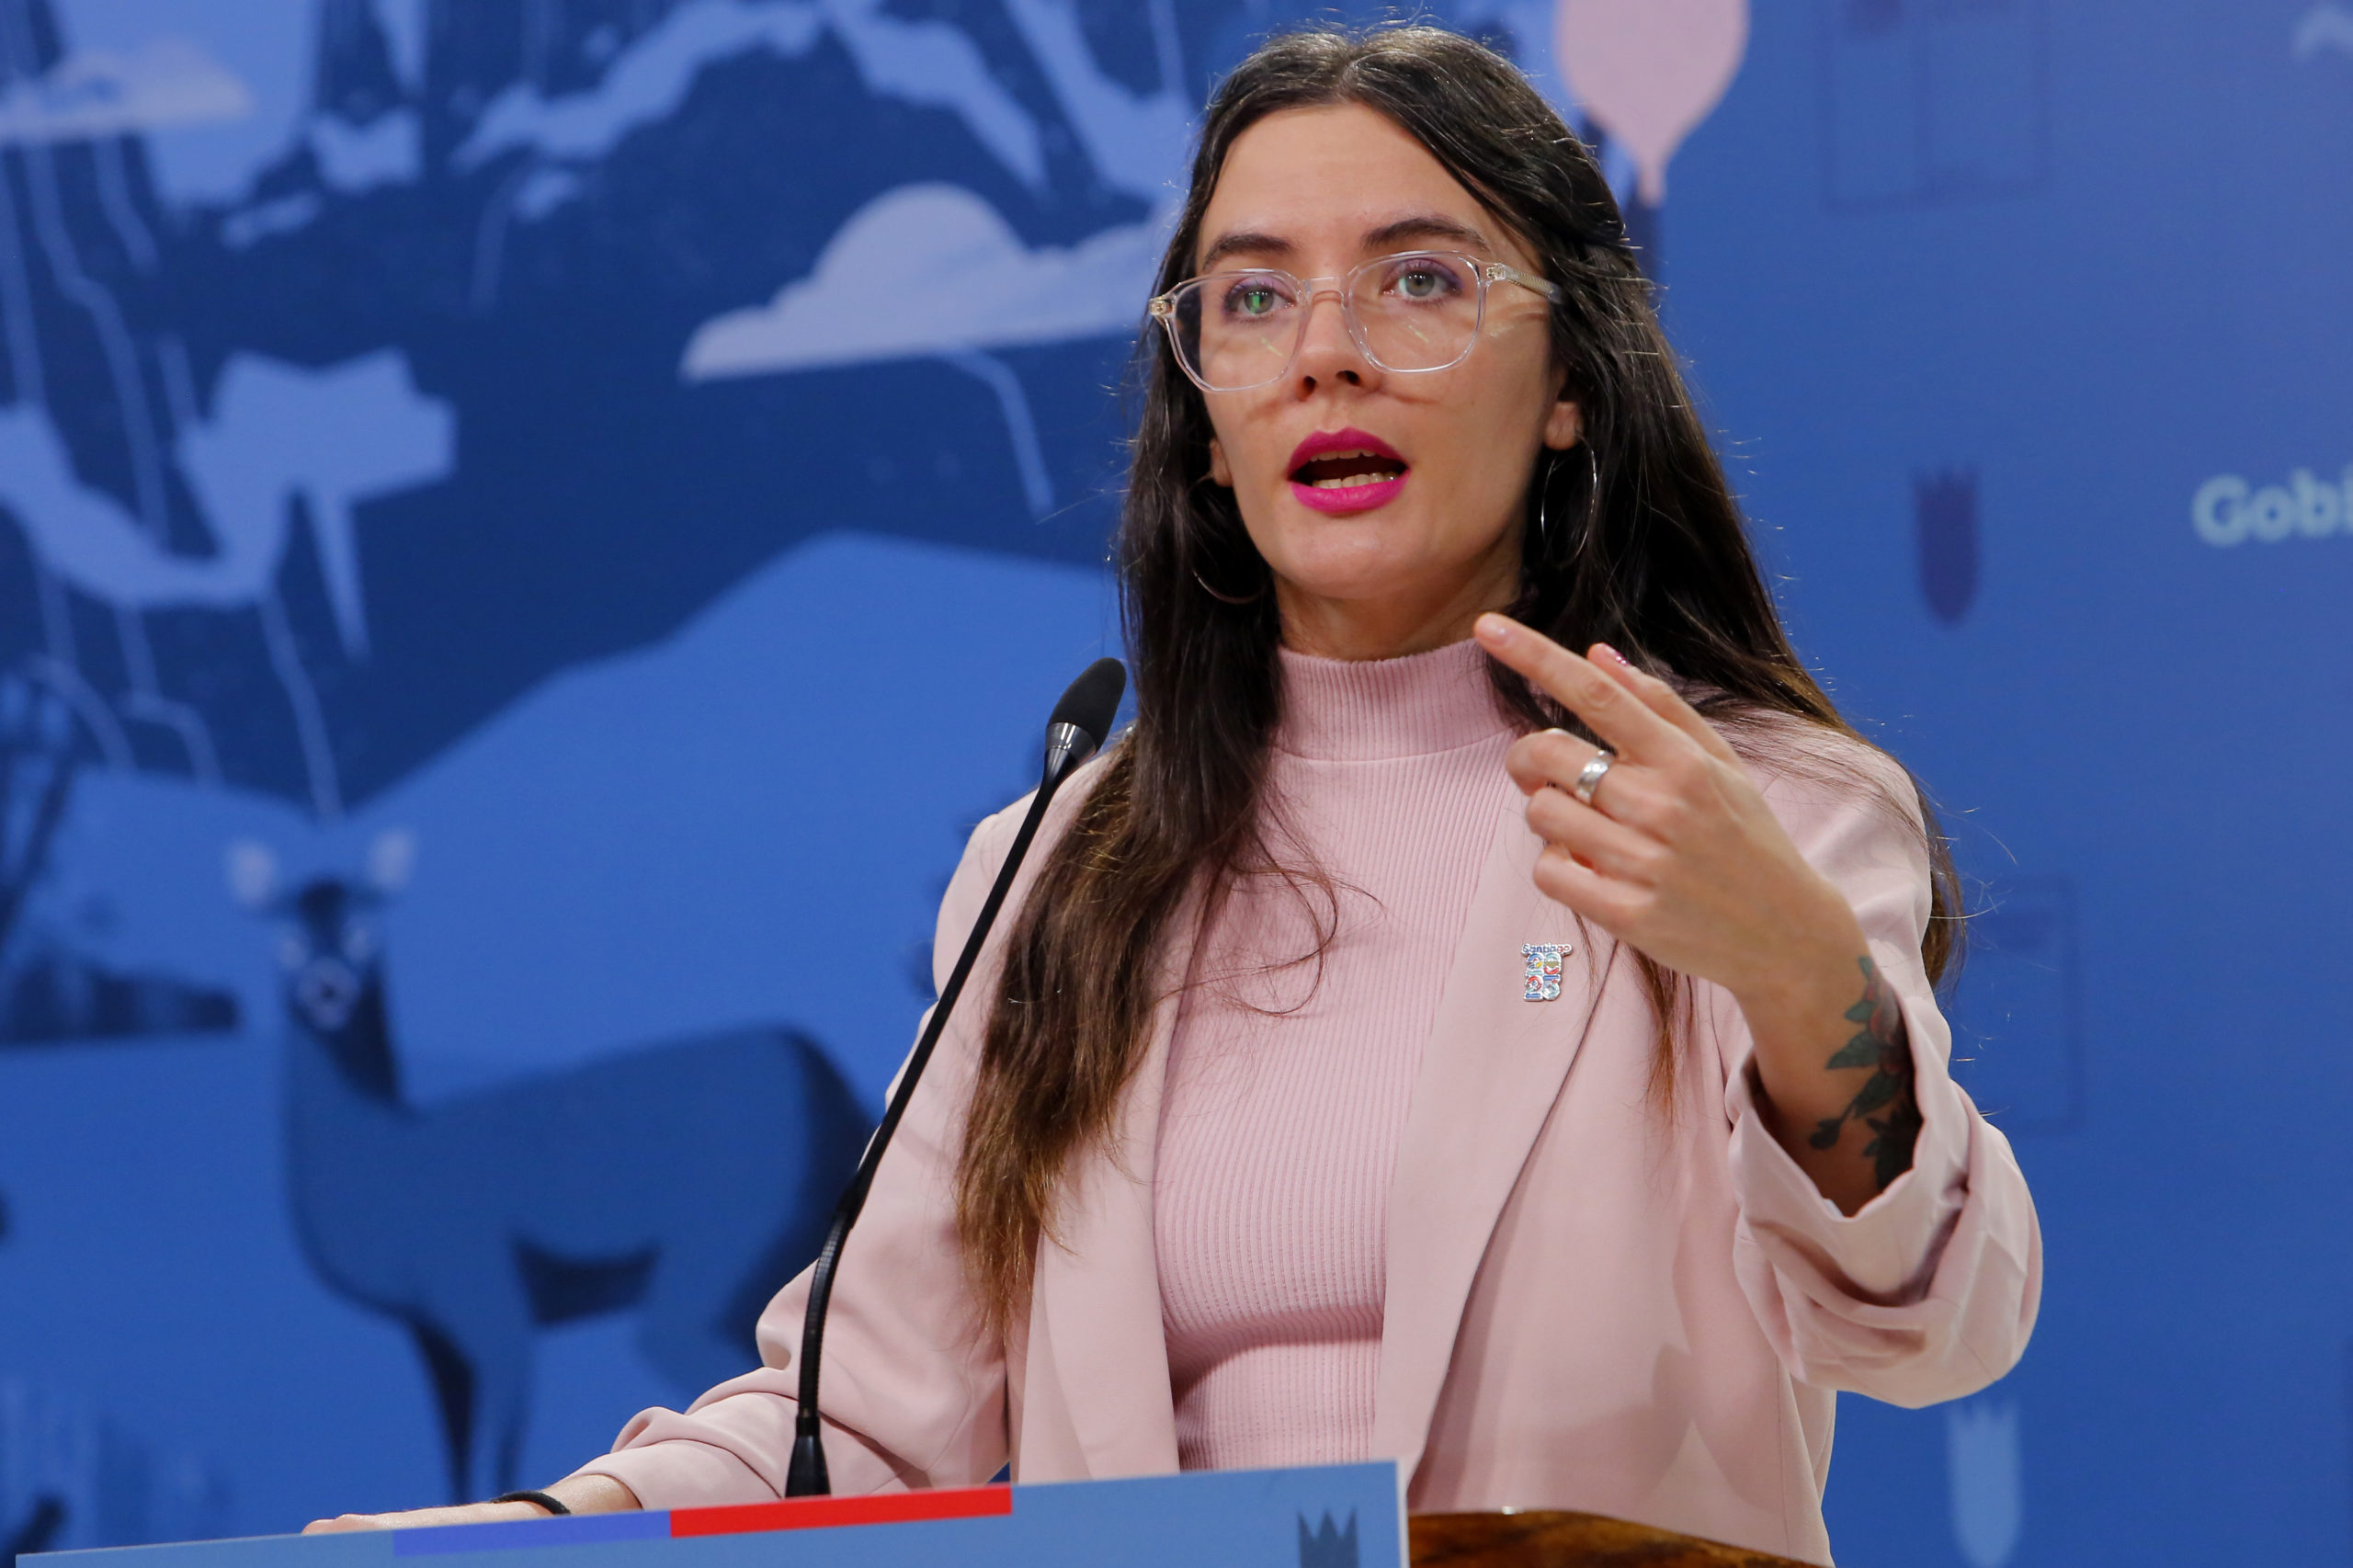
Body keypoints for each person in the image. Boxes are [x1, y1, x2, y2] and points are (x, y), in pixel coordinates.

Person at [310, 25, 2040, 1563]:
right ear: (1208, 420)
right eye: (1254, 297)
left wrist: (1798, 972)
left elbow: (1932, 1324)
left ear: (1572, 382)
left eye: (1420, 280)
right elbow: (858, 1421)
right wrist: (525, 1535)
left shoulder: (1752, 811)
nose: (1327, 353)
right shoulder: (1060, 866)